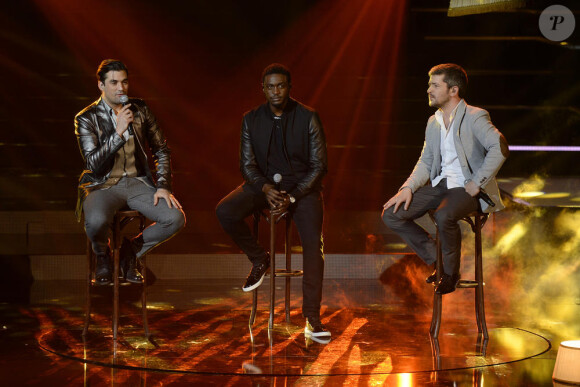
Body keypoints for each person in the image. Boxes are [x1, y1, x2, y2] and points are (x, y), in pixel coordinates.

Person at [216, 63, 330, 339]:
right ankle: (259, 259)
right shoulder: (251, 119)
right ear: (263, 89)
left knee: (314, 248)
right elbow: (247, 165)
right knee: (225, 211)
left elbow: (319, 166)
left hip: (302, 190)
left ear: (290, 88)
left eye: (281, 86)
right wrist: (265, 188)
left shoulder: (308, 117)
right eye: (270, 86)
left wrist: (292, 196)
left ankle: (312, 318)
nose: (275, 91)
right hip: (262, 186)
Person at [382, 63, 509, 294]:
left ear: (453, 90)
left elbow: (499, 147)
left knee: (443, 215)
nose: (428, 90)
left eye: (434, 85)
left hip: (466, 189)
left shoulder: (475, 116)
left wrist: (477, 182)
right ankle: (437, 261)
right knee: (392, 214)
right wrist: (408, 187)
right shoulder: (434, 121)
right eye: (429, 84)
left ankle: (451, 273)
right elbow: (426, 161)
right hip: (441, 185)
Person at [75, 59, 185, 286]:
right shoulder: (86, 118)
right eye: (113, 82)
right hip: (102, 185)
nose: (121, 88)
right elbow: (93, 164)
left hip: (137, 183)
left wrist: (163, 185)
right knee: (95, 221)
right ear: (101, 85)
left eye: (124, 82)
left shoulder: (140, 110)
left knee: (175, 218)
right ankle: (103, 256)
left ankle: (129, 252)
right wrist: (118, 132)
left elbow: (161, 149)